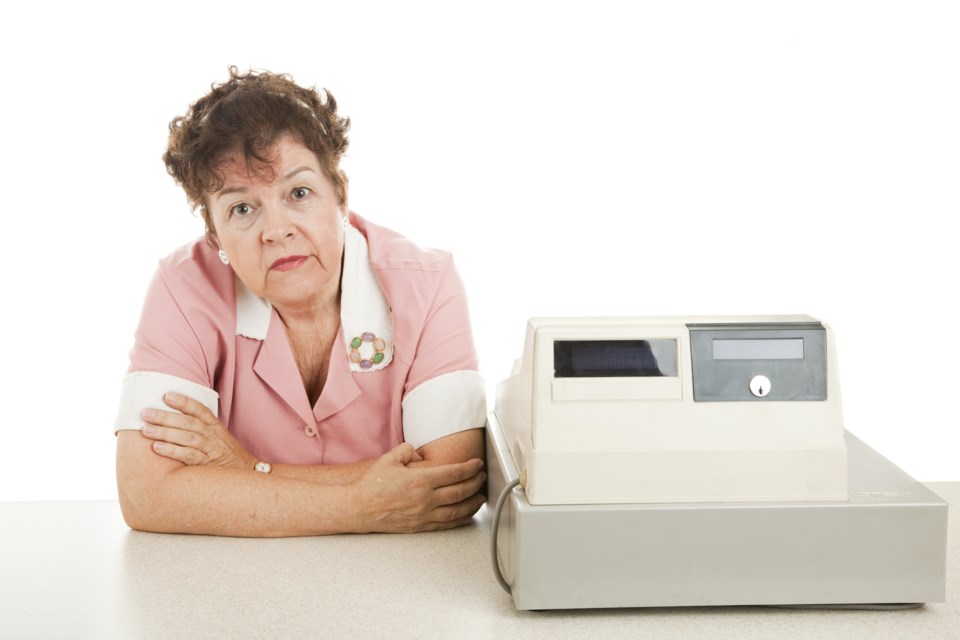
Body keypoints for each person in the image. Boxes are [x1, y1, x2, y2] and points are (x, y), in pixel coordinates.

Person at [114, 68, 487, 536]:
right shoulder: (182, 286)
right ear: (215, 235)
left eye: (299, 193)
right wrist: (359, 505)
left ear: (340, 195)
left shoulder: (428, 284)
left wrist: (244, 469)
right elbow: (146, 495)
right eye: (242, 209)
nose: (277, 230)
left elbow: (452, 481)